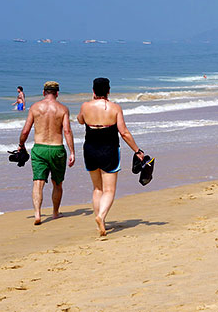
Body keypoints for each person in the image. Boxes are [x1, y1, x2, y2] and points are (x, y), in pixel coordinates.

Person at [77, 78, 146, 237]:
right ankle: (101, 216)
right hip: (109, 150)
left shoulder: (85, 106)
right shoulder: (115, 108)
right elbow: (124, 132)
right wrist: (137, 150)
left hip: (90, 150)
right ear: (108, 91)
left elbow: (81, 121)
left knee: (97, 188)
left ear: (93, 91)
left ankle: (100, 221)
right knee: (109, 189)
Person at [17, 81, 75, 226]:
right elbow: (67, 131)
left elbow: (25, 130)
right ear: (57, 93)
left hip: (39, 148)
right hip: (57, 149)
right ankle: (55, 213)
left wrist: (21, 145)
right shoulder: (63, 109)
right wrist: (72, 152)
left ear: (43, 92)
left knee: (38, 182)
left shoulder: (35, 107)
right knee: (57, 183)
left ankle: (37, 214)